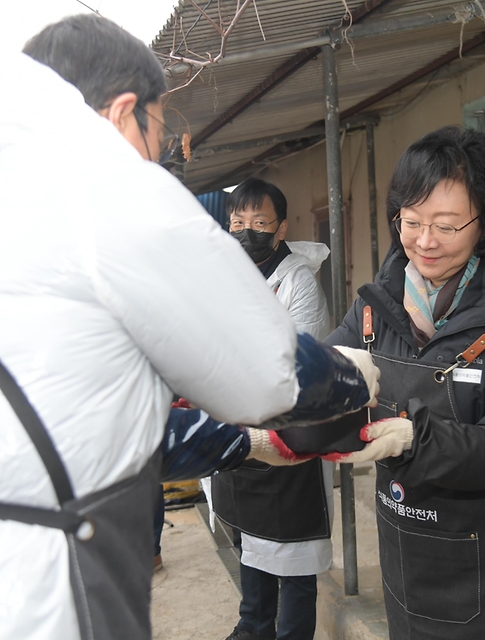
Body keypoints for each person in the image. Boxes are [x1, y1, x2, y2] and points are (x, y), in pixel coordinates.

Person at [0, 15, 379, 640]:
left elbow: (94, 420)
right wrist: (360, 379)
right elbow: (273, 377)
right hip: (13, 587)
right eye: (157, 135)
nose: (157, 157)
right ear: (123, 112)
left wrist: (243, 445)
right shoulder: (109, 185)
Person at [325, 126, 485, 639]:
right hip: (408, 555)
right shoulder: (375, 309)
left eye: (448, 225)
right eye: (410, 222)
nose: (424, 241)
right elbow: (327, 377)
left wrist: (418, 439)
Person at [206, 178, 332, 640]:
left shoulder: (297, 281)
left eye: (259, 223)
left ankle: (292, 633)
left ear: (280, 229)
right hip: (236, 431)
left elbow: (295, 361)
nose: (247, 232)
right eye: (238, 222)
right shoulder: (224, 275)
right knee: (249, 541)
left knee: (292, 552)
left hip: (287, 435)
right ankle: (253, 626)